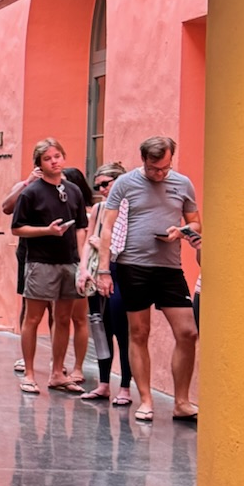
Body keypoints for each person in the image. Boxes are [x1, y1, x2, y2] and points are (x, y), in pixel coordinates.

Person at [94, 134, 200, 424]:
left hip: (169, 268)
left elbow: (195, 223)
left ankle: (181, 402)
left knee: (188, 332)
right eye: (154, 168)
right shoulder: (125, 183)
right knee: (139, 333)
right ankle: (146, 400)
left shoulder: (183, 183)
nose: (160, 173)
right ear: (143, 160)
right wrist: (103, 270)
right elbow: (107, 227)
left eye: (165, 167)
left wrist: (181, 231)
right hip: (133, 266)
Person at [3, 149, 93, 376]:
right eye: (47, 158)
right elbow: (11, 216)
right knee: (32, 314)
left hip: (69, 260)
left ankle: (58, 370)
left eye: (57, 157)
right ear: (39, 164)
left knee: (64, 317)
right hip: (37, 258)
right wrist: (47, 230)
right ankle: (29, 371)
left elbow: (81, 226)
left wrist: (81, 261)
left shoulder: (72, 190)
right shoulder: (30, 190)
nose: (54, 162)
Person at [77, 162, 133, 404]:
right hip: (96, 272)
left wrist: (103, 246)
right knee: (100, 329)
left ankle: (125, 387)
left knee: (122, 330)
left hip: (120, 272)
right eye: (97, 186)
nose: (101, 189)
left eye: (105, 184)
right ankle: (103, 384)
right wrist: (82, 270)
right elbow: (88, 241)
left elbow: (123, 244)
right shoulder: (100, 208)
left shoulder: (130, 208)